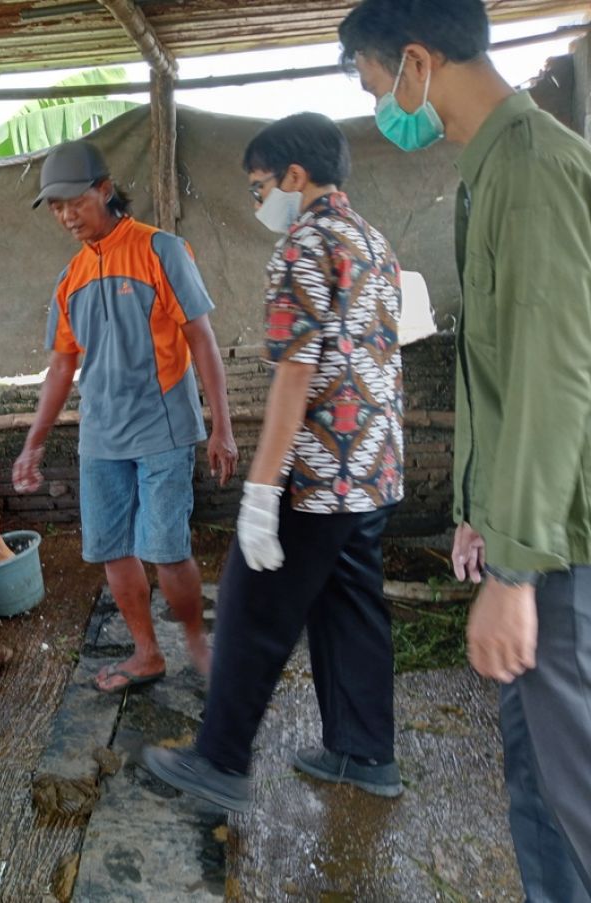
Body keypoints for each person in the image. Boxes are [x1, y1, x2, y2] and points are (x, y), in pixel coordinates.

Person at [337, 2, 591, 898]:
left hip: (560, 550)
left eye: (376, 86)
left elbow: (553, 377)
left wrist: (516, 574)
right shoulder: (490, 173)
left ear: (415, 60)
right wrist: (478, 512)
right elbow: (497, 364)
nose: (384, 109)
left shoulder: (530, 169)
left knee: (578, 790)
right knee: (535, 784)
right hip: (530, 533)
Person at [144, 112, 406, 811]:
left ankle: (220, 760)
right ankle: (363, 751)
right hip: (374, 467)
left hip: (319, 471)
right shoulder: (374, 242)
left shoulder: (302, 245)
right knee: (352, 606)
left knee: (251, 608)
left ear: (296, 175)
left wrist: (262, 491)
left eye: (262, 186)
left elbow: (297, 372)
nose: (260, 202)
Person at [12, 139, 237, 691]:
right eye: (56, 207)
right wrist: (34, 441)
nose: (66, 215)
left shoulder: (161, 251)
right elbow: (61, 370)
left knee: (167, 549)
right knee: (113, 549)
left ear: (105, 190)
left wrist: (221, 427)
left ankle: (196, 642)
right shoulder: (70, 281)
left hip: (163, 426)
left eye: (74, 201)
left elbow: (202, 340)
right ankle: (146, 653)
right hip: (101, 437)